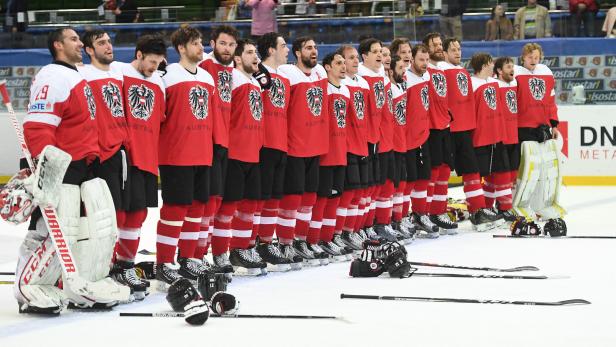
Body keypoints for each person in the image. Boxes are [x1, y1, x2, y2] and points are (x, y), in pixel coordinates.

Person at [15, 27, 128, 314]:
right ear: (58, 45)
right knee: (54, 229)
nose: (80, 43)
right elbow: (38, 127)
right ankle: (32, 286)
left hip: (84, 167)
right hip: (62, 168)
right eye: (74, 39)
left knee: (90, 229)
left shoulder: (75, 74)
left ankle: (76, 283)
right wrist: (47, 172)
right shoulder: (53, 76)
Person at [78, 29, 147, 299]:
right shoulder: (81, 74)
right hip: (100, 154)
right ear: (89, 50)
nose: (108, 46)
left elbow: (146, 65)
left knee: (134, 212)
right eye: (101, 43)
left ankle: (124, 265)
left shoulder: (119, 71)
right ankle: (101, 268)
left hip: (124, 152)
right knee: (108, 215)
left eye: (109, 41)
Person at [155, 26, 215, 286]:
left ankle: (188, 260)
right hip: (176, 154)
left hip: (202, 152)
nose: (201, 47)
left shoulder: (208, 78)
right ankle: (164, 264)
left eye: (201, 42)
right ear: (181, 48)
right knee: (174, 210)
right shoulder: (166, 75)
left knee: (198, 209)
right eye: (195, 43)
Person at [111, 35, 167, 287]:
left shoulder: (160, 83)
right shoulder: (118, 72)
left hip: (147, 157)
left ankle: (125, 265)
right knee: (118, 215)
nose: (154, 66)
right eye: (151, 61)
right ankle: (107, 266)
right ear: (139, 54)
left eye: (159, 62)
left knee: (139, 215)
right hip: (123, 156)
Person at [438, 37, 499, 232]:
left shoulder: (462, 71)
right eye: (453, 49)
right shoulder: (440, 70)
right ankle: (436, 212)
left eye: (459, 48)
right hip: (448, 129)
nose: (458, 52)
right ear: (444, 53)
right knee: (441, 174)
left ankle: (477, 210)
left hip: (464, 130)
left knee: (472, 171)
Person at [277, 37, 329, 266]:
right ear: (297, 53)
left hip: (315, 145)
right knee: (293, 198)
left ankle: (300, 241)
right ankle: (284, 243)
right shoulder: (287, 73)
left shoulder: (319, 74)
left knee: (309, 198)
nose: (314, 51)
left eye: (316, 47)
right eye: (309, 48)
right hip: (295, 145)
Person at [218, 39, 267, 275]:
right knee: (227, 208)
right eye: (249, 53)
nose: (255, 57)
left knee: (250, 205)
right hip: (235, 152)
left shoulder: (255, 83)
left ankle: (241, 249)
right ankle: (219, 253)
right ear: (237, 58)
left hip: (252, 152)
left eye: (255, 52)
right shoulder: (232, 78)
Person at [251, 32, 294, 271]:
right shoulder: (258, 74)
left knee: (275, 198)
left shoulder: (284, 77)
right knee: (260, 198)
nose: (287, 50)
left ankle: (267, 242)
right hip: (264, 144)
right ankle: (252, 243)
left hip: (281, 144)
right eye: (283, 46)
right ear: (270, 50)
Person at [197, 25, 238, 275]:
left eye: (231, 45)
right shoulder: (204, 66)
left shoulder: (238, 69)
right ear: (213, 43)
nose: (227, 49)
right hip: (210, 141)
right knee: (207, 203)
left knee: (225, 203)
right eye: (223, 43)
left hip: (234, 143)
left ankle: (220, 252)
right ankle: (197, 254)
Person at [512, 43, 565, 229]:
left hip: (542, 128)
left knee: (544, 170)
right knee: (527, 170)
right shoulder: (516, 74)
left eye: (536, 57)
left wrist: (554, 123)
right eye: (530, 57)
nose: (533, 61)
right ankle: (519, 205)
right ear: (523, 57)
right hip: (523, 127)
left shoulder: (546, 72)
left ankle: (540, 206)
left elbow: (551, 101)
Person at [306, 52, 351, 262]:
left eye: (344, 63)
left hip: (341, 151)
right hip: (325, 152)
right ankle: (312, 241)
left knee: (335, 198)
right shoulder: (322, 89)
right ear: (327, 67)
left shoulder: (347, 91)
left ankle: (328, 238)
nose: (343, 66)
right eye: (338, 63)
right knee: (322, 199)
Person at [337, 44, 375, 246]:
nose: (353, 61)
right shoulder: (340, 85)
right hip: (347, 145)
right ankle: (342, 233)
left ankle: (355, 229)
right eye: (348, 58)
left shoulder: (364, 83)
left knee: (362, 191)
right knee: (348, 193)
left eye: (354, 58)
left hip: (363, 143)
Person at [469, 53, 513, 229]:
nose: (493, 65)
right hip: (480, 136)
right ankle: (478, 212)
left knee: (499, 174)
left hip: (497, 135)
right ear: (483, 65)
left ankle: (502, 209)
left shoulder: (493, 82)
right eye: (490, 63)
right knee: (481, 175)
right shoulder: (471, 83)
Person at [421, 32, 457, 234]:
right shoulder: (425, 72)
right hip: (431, 128)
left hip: (444, 126)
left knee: (444, 170)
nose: (439, 47)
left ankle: (439, 211)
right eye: (434, 45)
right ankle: (425, 213)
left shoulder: (442, 71)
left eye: (440, 44)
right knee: (432, 172)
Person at [404, 44, 439, 236]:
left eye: (427, 60)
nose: (425, 64)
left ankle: (420, 214)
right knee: (409, 180)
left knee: (424, 177)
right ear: (412, 60)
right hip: (408, 137)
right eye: (421, 60)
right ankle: (403, 218)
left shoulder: (426, 76)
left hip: (423, 135)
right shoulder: (405, 79)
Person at [491, 56, 519, 221]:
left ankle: (504, 205)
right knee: (501, 174)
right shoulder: (494, 86)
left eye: (512, 66)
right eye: (508, 67)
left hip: (514, 135)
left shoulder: (515, 84)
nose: (512, 70)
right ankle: (502, 208)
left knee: (512, 173)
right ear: (499, 71)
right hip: (501, 136)